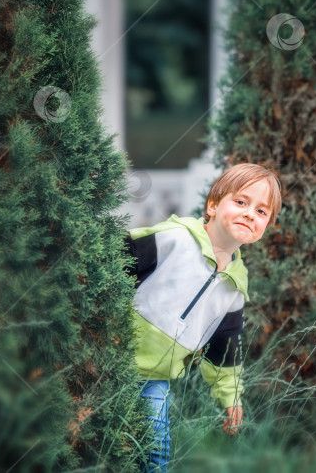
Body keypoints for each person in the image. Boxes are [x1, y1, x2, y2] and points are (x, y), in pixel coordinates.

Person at [124, 163, 282, 471]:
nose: (251, 214)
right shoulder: (174, 240)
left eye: (262, 212)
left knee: (154, 450)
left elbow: (225, 353)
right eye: (241, 202)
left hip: (154, 379)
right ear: (212, 205)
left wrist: (231, 400)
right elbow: (113, 257)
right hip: (109, 352)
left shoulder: (234, 288)